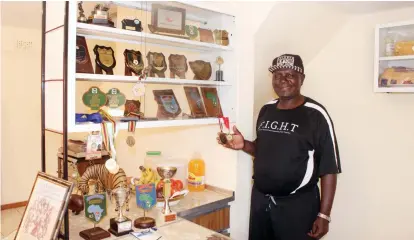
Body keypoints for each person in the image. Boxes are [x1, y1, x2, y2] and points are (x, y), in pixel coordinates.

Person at [217, 54, 342, 240]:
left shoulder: (316, 115)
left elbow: (329, 167)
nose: (282, 80)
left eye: (289, 75)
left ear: (302, 79)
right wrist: (244, 145)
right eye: (277, 75)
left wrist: (323, 215)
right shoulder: (267, 109)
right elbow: (263, 149)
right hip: (261, 201)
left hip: (297, 207)